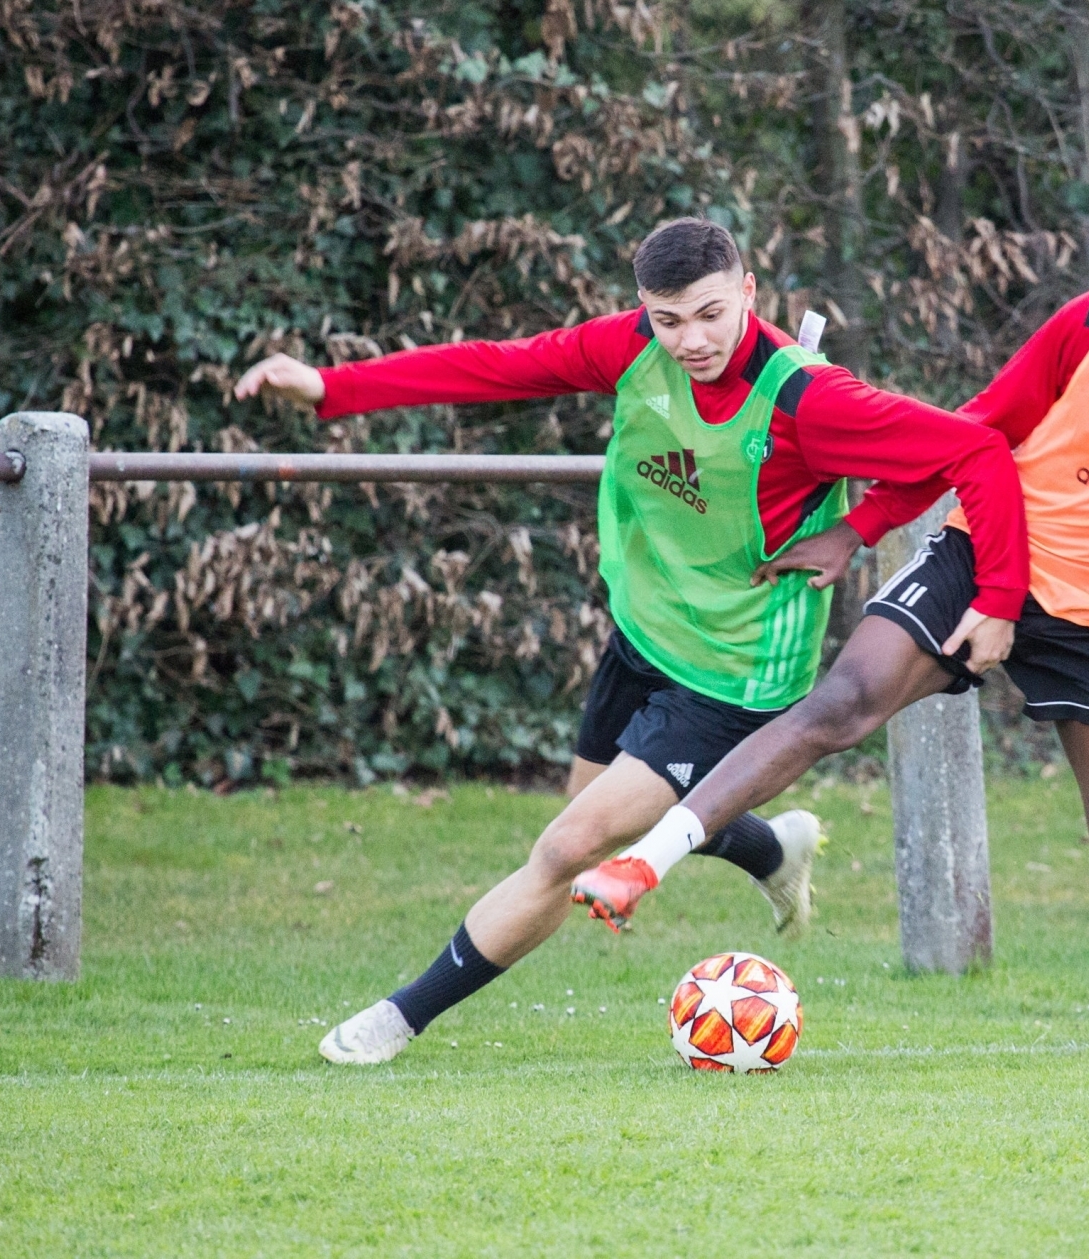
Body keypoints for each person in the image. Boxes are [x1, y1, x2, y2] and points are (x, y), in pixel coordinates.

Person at [573, 240, 1089, 1057]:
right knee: (839, 705)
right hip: (982, 555)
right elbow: (978, 428)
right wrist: (861, 527)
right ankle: (644, 865)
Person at [233, 218, 1028, 1064]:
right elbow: (497, 368)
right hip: (645, 631)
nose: (690, 340)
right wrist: (330, 388)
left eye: (711, 315)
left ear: (750, 292)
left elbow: (973, 450)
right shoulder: (628, 348)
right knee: (586, 828)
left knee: (568, 849)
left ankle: (396, 1020)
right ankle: (770, 844)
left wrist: (891, 542)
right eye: (668, 320)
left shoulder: (808, 398)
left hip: (735, 676)